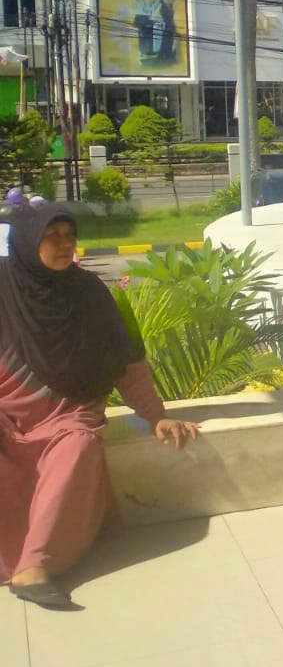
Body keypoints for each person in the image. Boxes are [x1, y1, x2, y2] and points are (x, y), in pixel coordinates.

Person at [0, 204, 199, 608]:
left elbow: (127, 361)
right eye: (51, 236)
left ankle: (33, 566)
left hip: (69, 412)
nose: (64, 244)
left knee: (79, 446)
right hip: (7, 413)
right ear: (26, 243)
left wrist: (155, 417)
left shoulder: (89, 292)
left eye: (69, 235)